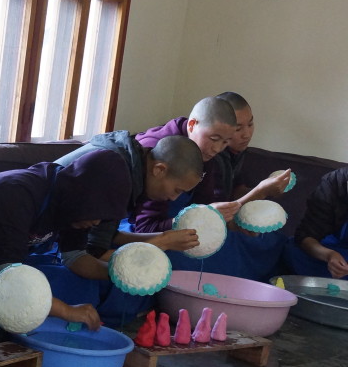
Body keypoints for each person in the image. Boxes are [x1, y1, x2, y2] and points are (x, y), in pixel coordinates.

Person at [0, 149, 147, 330]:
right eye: (95, 213)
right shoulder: (18, 192)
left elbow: (75, 257)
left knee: (82, 287)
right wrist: (65, 311)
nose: (96, 221)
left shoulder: (76, 204)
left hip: (15, 261)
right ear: (82, 196)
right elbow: (9, 279)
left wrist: (120, 274)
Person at [50, 134, 204, 323]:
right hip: (44, 238)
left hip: (68, 240)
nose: (174, 199)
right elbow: (91, 253)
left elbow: (110, 236)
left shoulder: (133, 164)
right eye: (177, 190)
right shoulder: (117, 172)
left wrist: (164, 238)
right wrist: (158, 244)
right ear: (159, 170)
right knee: (86, 284)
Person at [163, 93, 291, 281]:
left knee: (274, 239)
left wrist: (262, 196)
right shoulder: (206, 152)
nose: (246, 134)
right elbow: (211, 214)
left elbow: (233, 192)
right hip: (192, 219)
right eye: (238, 128)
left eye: (250, 124)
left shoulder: (232, 151)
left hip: (217, 214)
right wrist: (260, 191)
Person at [129, 96, 240, 233]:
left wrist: (208, 214)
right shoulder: (157, 152)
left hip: (172, 220)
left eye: (225, 142)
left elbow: (204, 203)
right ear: (192, 125)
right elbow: (145, 228)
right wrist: (198, 216)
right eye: (214, 139)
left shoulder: (203, 150)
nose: (217, 149)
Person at [287, 166, 348, 279]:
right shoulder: (335, 182)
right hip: (328, 253)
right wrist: (329, 255)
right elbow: (306, 236)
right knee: (291, 249)